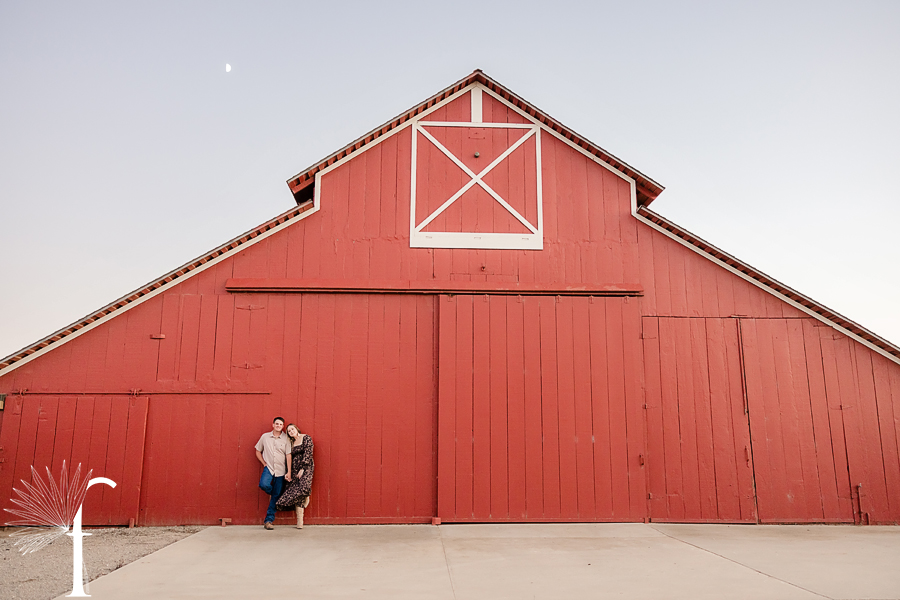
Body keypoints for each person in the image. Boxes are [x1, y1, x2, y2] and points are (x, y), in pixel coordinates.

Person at [255, 417, 292, 529]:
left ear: (282, 426)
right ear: (273, 425)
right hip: (269, 468)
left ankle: (268, 521)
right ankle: (277, 494)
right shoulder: (265, 437)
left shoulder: (286, 438)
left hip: (281, 470)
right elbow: (257, 450)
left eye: (280, 424)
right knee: (264, 485)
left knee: (275, 496)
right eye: (276, 423)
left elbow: (288, 455)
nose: (278, 425)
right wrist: (264, 463)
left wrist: (289, 472)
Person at [275, 423, 314, 528]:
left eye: (292, 429)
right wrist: (289, 471)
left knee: (303, 487)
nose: (291, 431)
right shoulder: (291, 442)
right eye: (289, 431)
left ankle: (306, 494)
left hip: (305, 467)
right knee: (297, 495)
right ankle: (300, 522)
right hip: (293, 469)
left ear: (297, 429)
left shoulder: (306, 438)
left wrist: (303, 468)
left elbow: (308, 453)